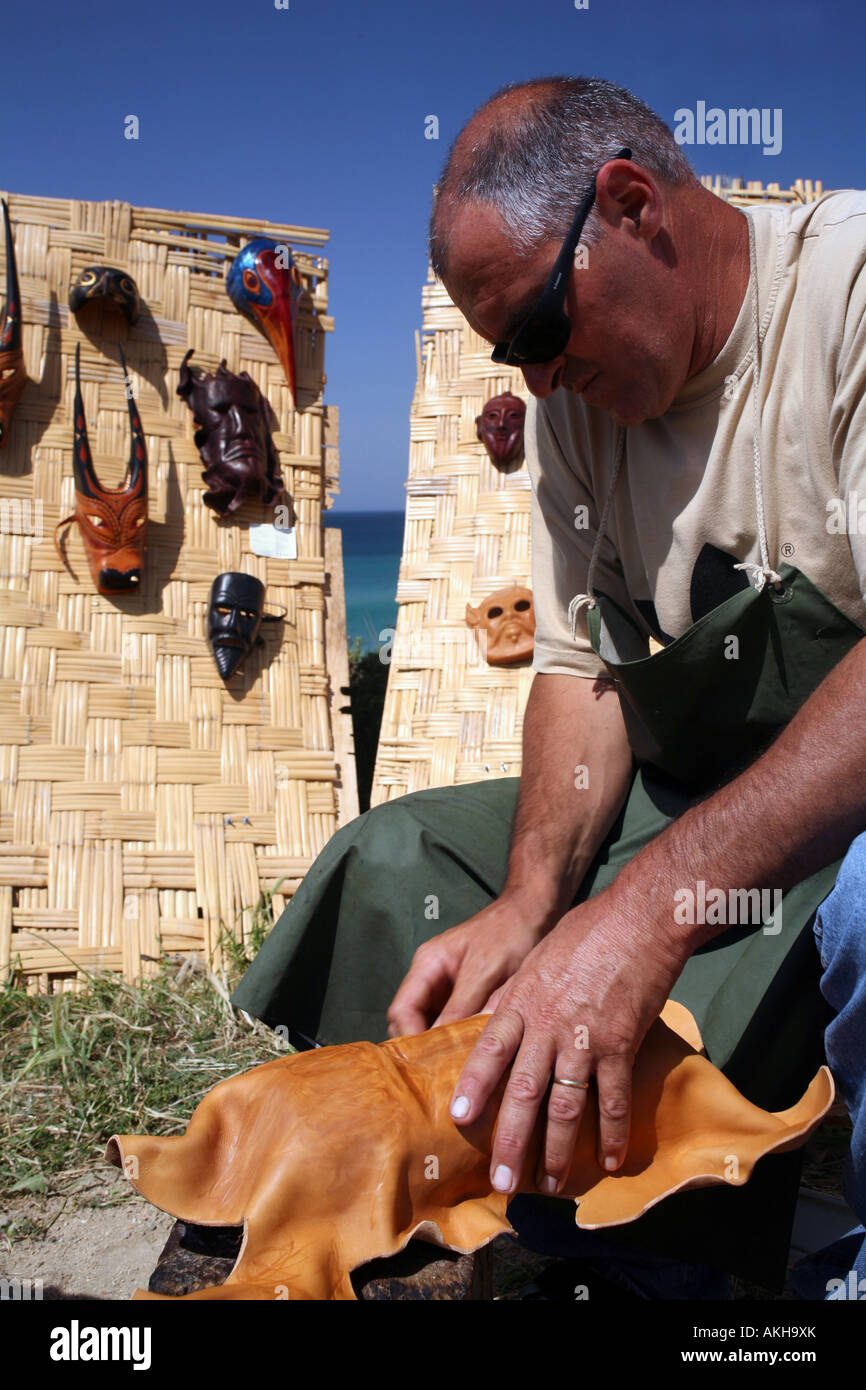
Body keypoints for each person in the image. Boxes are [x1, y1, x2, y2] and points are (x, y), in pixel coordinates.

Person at [233, 75, 866, 1298]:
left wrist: (644, 914)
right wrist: (532, 900)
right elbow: (581, 670)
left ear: (628, 204)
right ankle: (442, 1188)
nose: (532, 381)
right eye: (504, 353)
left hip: (839, 820)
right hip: (687, 795)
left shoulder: (842, 293)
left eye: (534, 329)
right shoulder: (579, 415)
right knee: (394, 858)